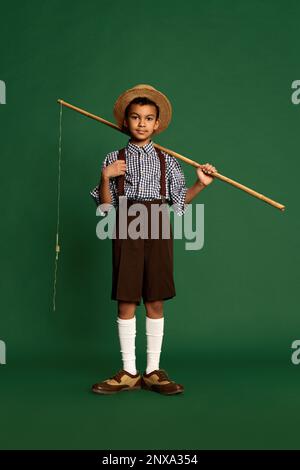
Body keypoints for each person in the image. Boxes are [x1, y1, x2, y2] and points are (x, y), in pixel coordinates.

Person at [89, 84, 217, 395]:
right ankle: (129, 371)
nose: (142, 123)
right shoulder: (113, 158)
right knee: (127, 298)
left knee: (156, 298)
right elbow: (106, 208)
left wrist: (200, 184)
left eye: (148, 118)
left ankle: (153, 371)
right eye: (135, 117)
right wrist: (106, 177)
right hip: (125, 225)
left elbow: (179, 201)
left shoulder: (167, 161)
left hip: (158, 225)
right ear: (126, 123)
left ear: (157, 124)